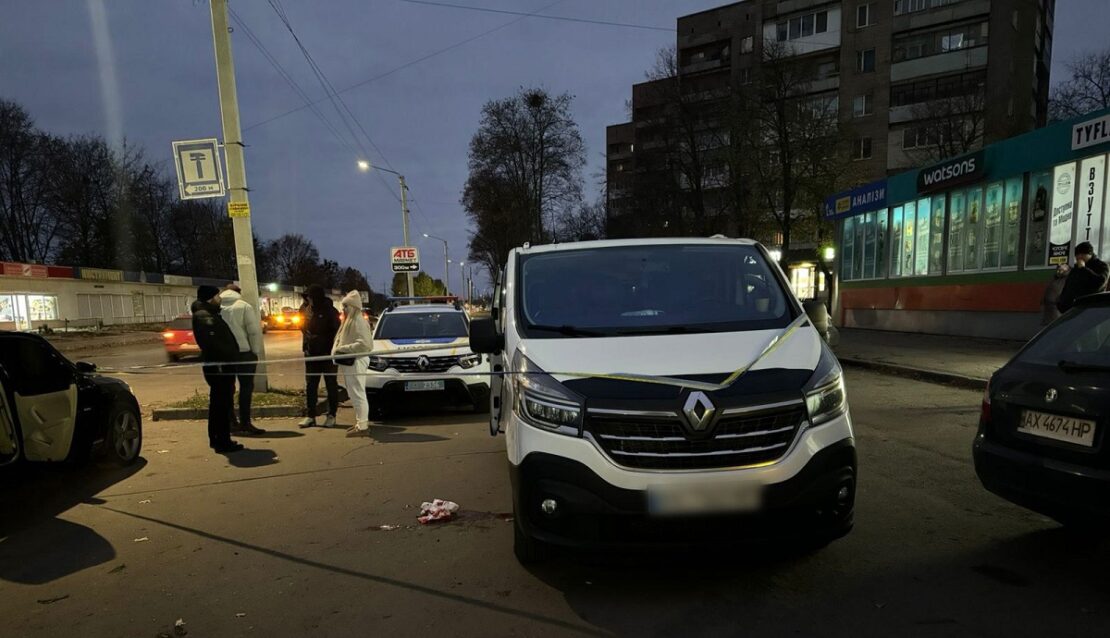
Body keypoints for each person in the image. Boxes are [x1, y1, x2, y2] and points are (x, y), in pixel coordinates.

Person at [191, 285, 244, 453]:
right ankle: (222, 441)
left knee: (219, 404)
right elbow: (213, 343)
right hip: (219, 366)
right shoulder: (204, 316)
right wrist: (229, 356)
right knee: (221, 405)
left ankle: (218, 438)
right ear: (210, 298)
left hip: (220, 365)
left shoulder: (210, 314)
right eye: (217, 296)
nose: (220, 299)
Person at [220, 283, 266, 435]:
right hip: (244, 353)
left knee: (227, 388)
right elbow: (253, 331)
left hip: (225, 354)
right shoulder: (243, 306)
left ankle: (230, 421)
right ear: (239, 293)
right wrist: (255, 351)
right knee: (246, 388)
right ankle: (245, 422)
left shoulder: (216, 307)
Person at [332, 290, 374, 437]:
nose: (343, 310)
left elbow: (365, 345)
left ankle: (362, 426)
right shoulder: (349, 321)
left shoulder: (358, 322)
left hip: (356, 362)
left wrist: (342, 349)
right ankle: (360, 423)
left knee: (358, 394)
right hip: (350, 362)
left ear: (353, 307)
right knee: (354, 393)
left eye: (346, 307)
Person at [299, 285, 341, 428]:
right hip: (311, 354)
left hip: (328, 354)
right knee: (311, 385)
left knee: (331, 385)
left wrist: (327, 345)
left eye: (310, 297)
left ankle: (331, 415)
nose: (308, 300)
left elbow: (337, 331)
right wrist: (308, 344)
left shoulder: (330, 311)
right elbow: (303, 329)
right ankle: (310, 415)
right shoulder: (305, 310)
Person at [1057, 242, 1110, 313]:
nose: (1079, 257)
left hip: (1090, 308)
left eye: (1082, 254)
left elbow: (1099, 282)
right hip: (1072, 308)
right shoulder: (1076, 267)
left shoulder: (1102, 266)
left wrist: (1083, 269)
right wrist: (1061, 301)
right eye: (1077, 255)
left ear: (1090, 254)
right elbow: (1069, 284)